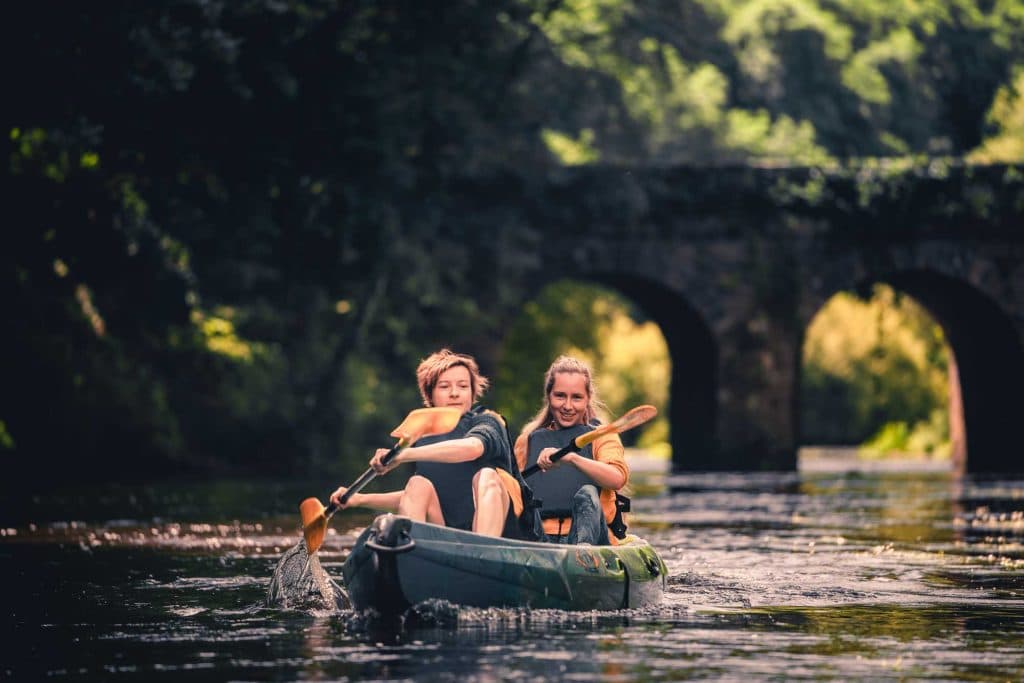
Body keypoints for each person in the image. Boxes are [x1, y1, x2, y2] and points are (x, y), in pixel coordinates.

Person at [330, 349, 540, 539]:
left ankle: (482, 554)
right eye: (444, 387)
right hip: (453, 536)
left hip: (502, 537)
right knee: (417, 484)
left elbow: (472, 448)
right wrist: (359, 499)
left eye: (463, 386)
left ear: (472, 392)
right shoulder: (424, 438)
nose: (455, 393)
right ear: (430, 395)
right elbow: (412, 496)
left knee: (487, 475)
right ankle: (411, 553)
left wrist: (403, 455)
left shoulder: (487, 421)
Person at [514, 355, 629, 545]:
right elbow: (512, 495)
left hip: (590, 538)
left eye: (576, 397)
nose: (568, 406)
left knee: (587, 493)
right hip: (541, 539)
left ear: (587, 399)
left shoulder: (603, 436)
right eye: (560, 396)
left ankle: (582, 555)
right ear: (549, 396)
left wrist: (573, 458)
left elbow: (617, 479)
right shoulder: (527, 440)